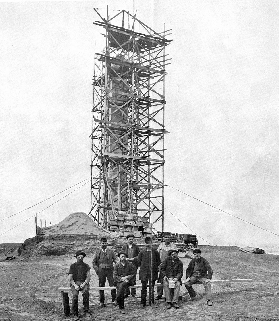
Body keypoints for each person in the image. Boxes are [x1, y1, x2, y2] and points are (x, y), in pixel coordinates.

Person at [92, 237, 117, 307]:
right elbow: (94, 262)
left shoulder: (111, 251)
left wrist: (115, 268)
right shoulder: (98, 252)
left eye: (105, 243)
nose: (104, 244)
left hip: (110, 271)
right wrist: (97, 270)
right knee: (101, 285)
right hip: (101, 271)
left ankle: (114, 300)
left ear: (107, 243)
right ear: (100, 243)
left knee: (112, 285)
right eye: (103, 243)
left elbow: (116, 260)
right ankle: (101, 301)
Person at [137, 236, 161, 307]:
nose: (148, 244)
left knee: (152, 287)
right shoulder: (142, 252)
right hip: (144, 273)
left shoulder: (155, 252)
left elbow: (158, 262)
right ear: (145, 244)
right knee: (143, 287)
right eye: (146, 243)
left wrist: (154, 268)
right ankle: (143, 302)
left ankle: (151, 301)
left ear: (152, 243)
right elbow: (139, 261)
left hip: (152, 272)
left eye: (149, 243)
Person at [68, 250, 91, 319]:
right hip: (75, 283)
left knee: (86, 293)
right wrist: (75, 285)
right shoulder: (73, 266)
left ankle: (86, 311)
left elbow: (88, 277)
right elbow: (70, 278)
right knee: (75, 295)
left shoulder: (86, 266)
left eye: (82, 257)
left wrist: (83, 284)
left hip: (83, 283)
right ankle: (75, 313)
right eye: (79, 257)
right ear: (76, 257)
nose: (80, 258)